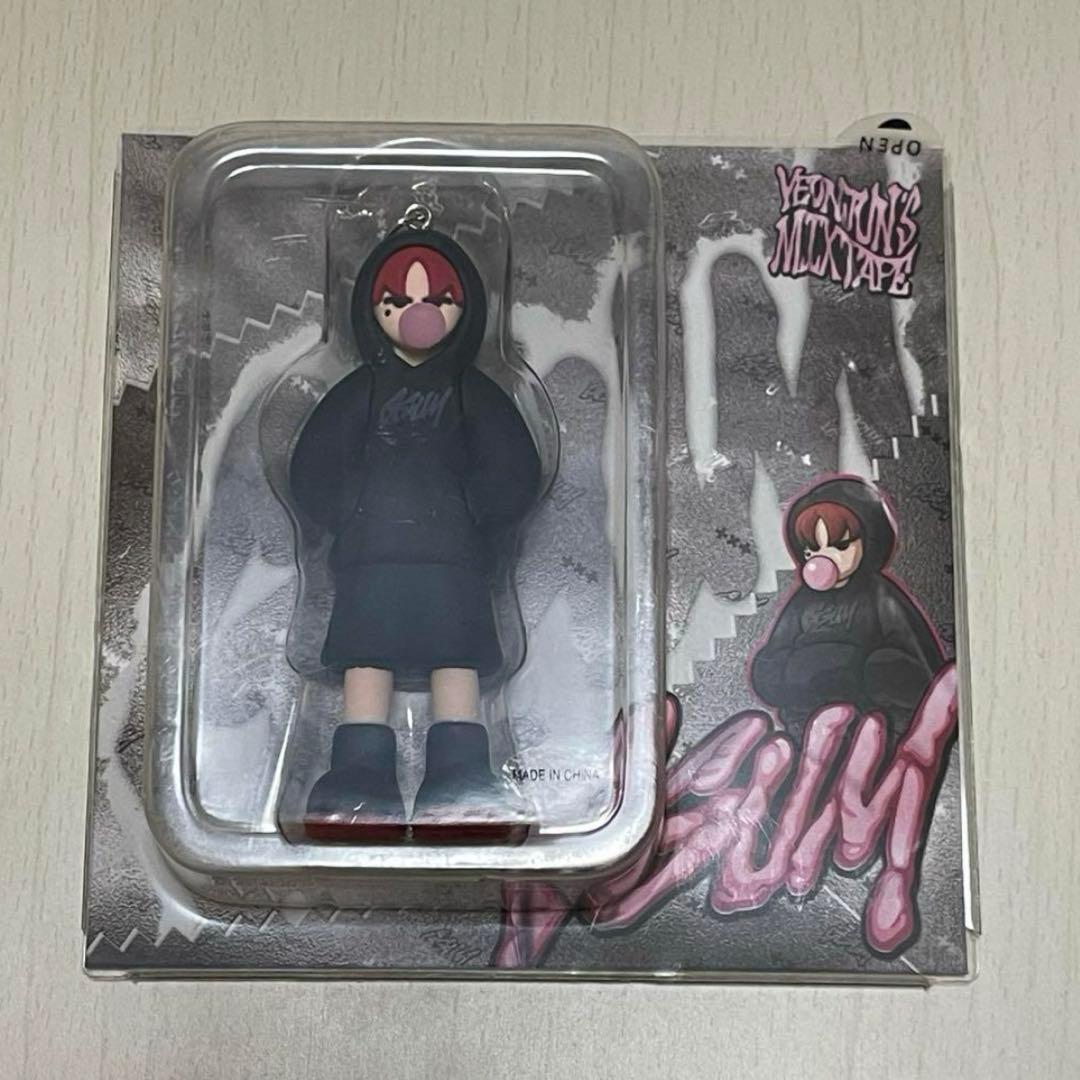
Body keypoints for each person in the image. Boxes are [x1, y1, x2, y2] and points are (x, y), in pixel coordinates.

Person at [289, 225, 541, 839]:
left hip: (453, 557)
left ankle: (460, 782)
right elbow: (314, 464)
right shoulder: (361, 390)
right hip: (372, 557)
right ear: (372, 310)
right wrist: (342, 512)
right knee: (366, 663)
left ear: (464, 307)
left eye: (437, 300)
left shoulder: (471, 391)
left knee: (456, 662)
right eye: (397, 301)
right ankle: (359, 781)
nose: (418, 314)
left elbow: (514, 465)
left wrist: (485, 513)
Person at [750, 476, 944, 746]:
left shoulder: (880, 596)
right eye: (812, 549)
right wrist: (791, 672)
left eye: (840, 546)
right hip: (805, 723)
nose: (824, 557)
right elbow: (775, 655)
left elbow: (917, 664)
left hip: (868, 726)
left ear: (867, 541)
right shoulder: (803, 601)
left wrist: (859, 669)